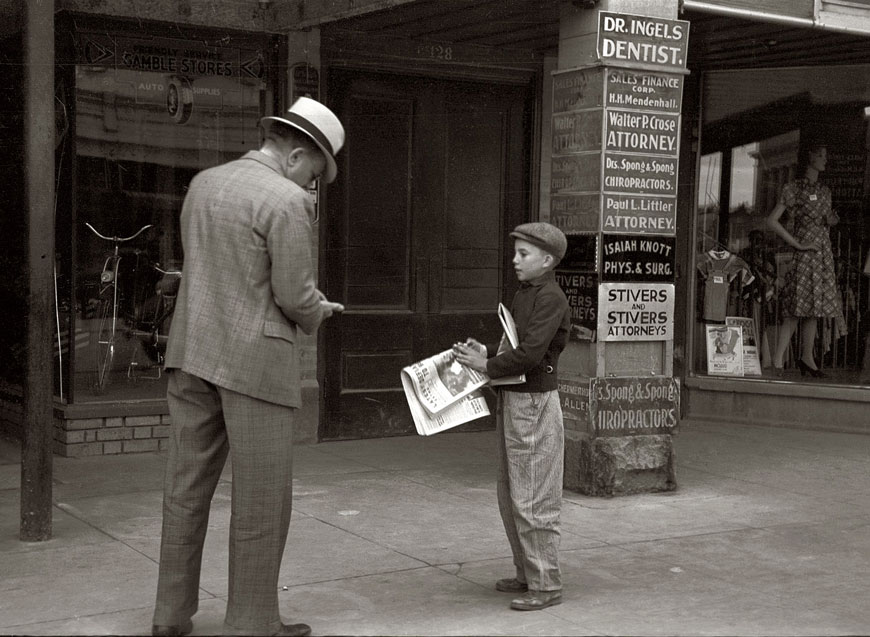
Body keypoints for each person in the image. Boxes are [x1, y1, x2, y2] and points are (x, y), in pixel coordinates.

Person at [151, 97, 345, 637]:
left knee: (185, 489)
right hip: (254, 363)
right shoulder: (286, 200)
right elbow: (292, 292)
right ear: (296, 155)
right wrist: (316, 311)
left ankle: (169, 615)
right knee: (262, 499)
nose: (314, 184)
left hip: (192, 351)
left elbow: (218, 271)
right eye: (315, 171)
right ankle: (252, 622)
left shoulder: (204, 184)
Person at [453, 222, 570, 612]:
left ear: (547, 260)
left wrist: (485, 364)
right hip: (517, 399)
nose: (515, 261)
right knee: (513, 493)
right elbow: (516, 347)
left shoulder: (550, 297)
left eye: (524, 254)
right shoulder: (528, 294)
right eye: (516, 253)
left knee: (533, 497)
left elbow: (531, 354)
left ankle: (546, 583)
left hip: (534, 402)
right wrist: (485, 351)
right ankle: (528, 573)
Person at [766, 141, 846, 378]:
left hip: (822, 253)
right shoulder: (793, 189)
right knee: (796, 307)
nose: (825, 159)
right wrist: (797, 244)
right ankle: (778, 360)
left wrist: (829, 222)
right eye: (820, 155)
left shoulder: (824, 191)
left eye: (825, 155)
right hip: (804, 253)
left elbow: (823, 221)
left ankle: (807, 357)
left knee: (815, 308)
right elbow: (772, 220)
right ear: (809, 157)